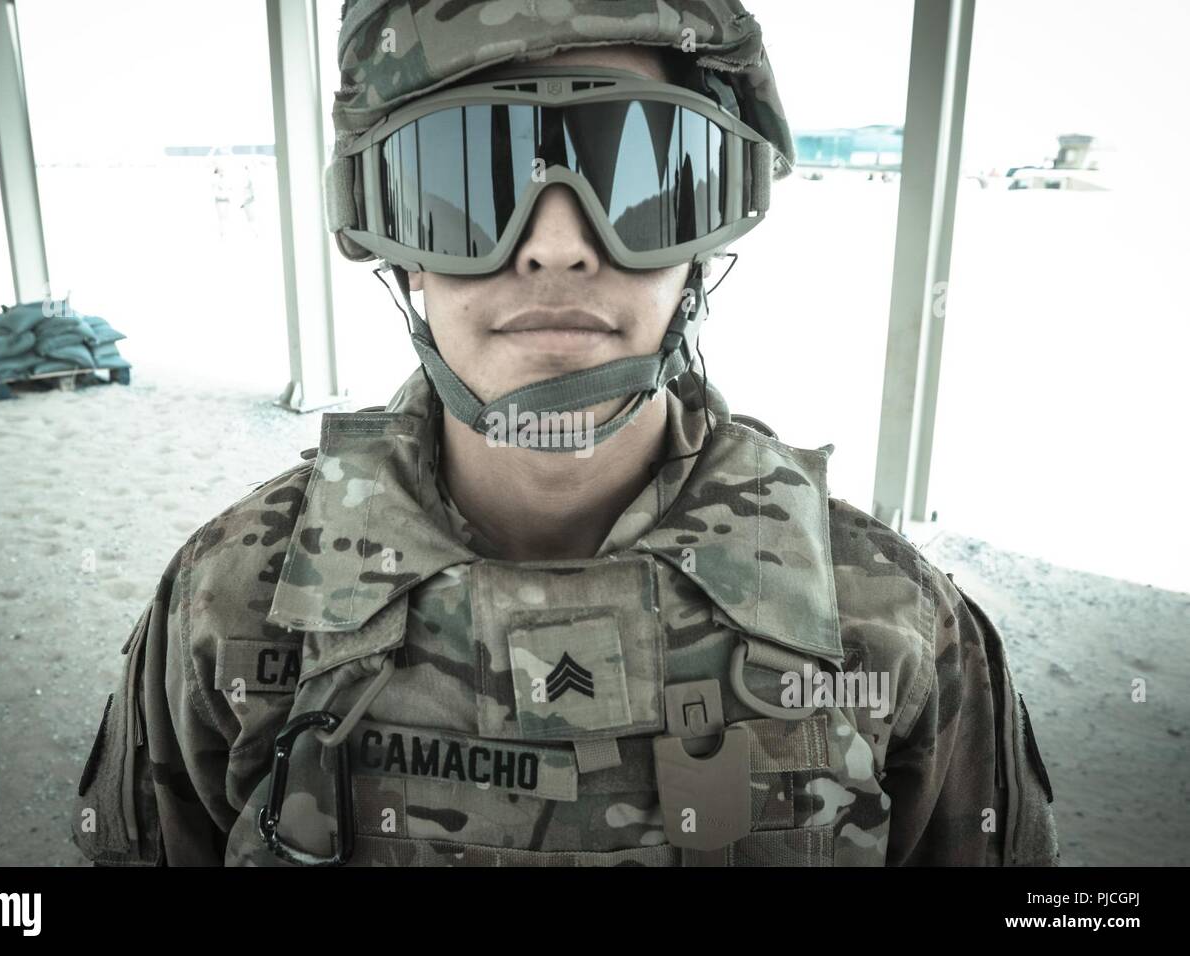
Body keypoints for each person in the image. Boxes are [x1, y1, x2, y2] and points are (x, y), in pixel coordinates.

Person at [72, 0, 1058, 867]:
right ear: (389, 237)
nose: (555, 241)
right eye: (463, 175)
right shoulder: (231, 599)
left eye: (637, 172)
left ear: (708, 236)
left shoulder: (895, 621)